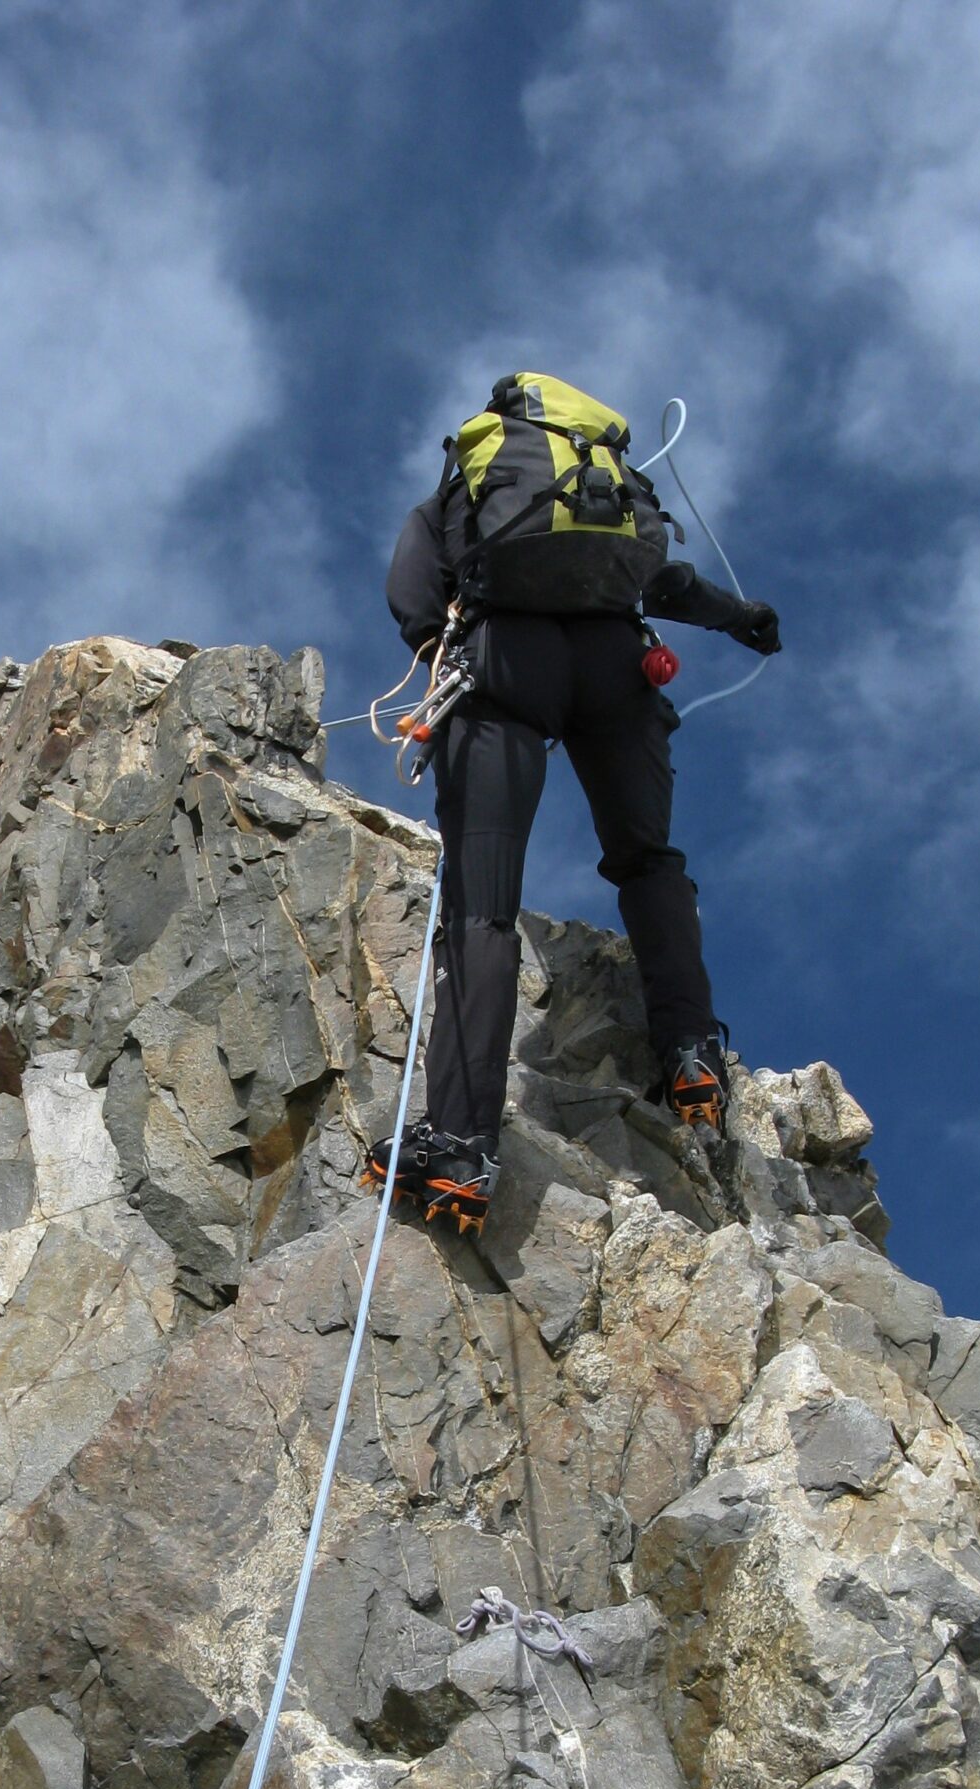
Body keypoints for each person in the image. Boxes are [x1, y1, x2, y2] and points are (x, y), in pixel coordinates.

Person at [371, 378, 782, 1226]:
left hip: (503, 660)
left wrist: (440, 646)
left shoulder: (464, 482)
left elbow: (412, 583)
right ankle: (690, 1050)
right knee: (648, 860)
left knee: (483, 906)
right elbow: (664, 584)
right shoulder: (606, 483)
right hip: (616, 669)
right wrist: (745, 617)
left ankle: (462, 1144)